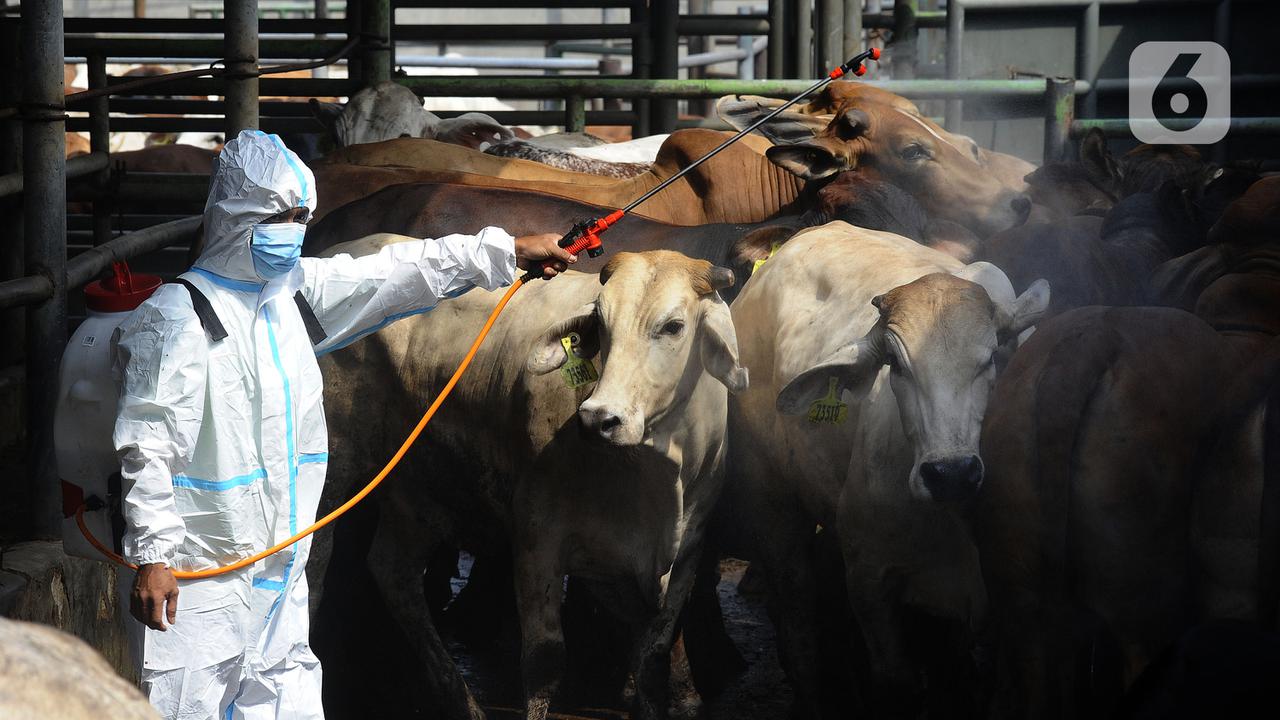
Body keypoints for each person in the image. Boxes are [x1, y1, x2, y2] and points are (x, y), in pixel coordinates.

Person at [112, 129, 574, 719]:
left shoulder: (288, 298)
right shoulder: (178, 317)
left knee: (288, 699)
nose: (297, 229)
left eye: (304, 214)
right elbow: (146, 440)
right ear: (239, 216)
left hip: (281, 567)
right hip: (200, 580)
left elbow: (395, 270)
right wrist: (154, 555)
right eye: (284, 216)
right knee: (188, 707)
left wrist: (504, 252)